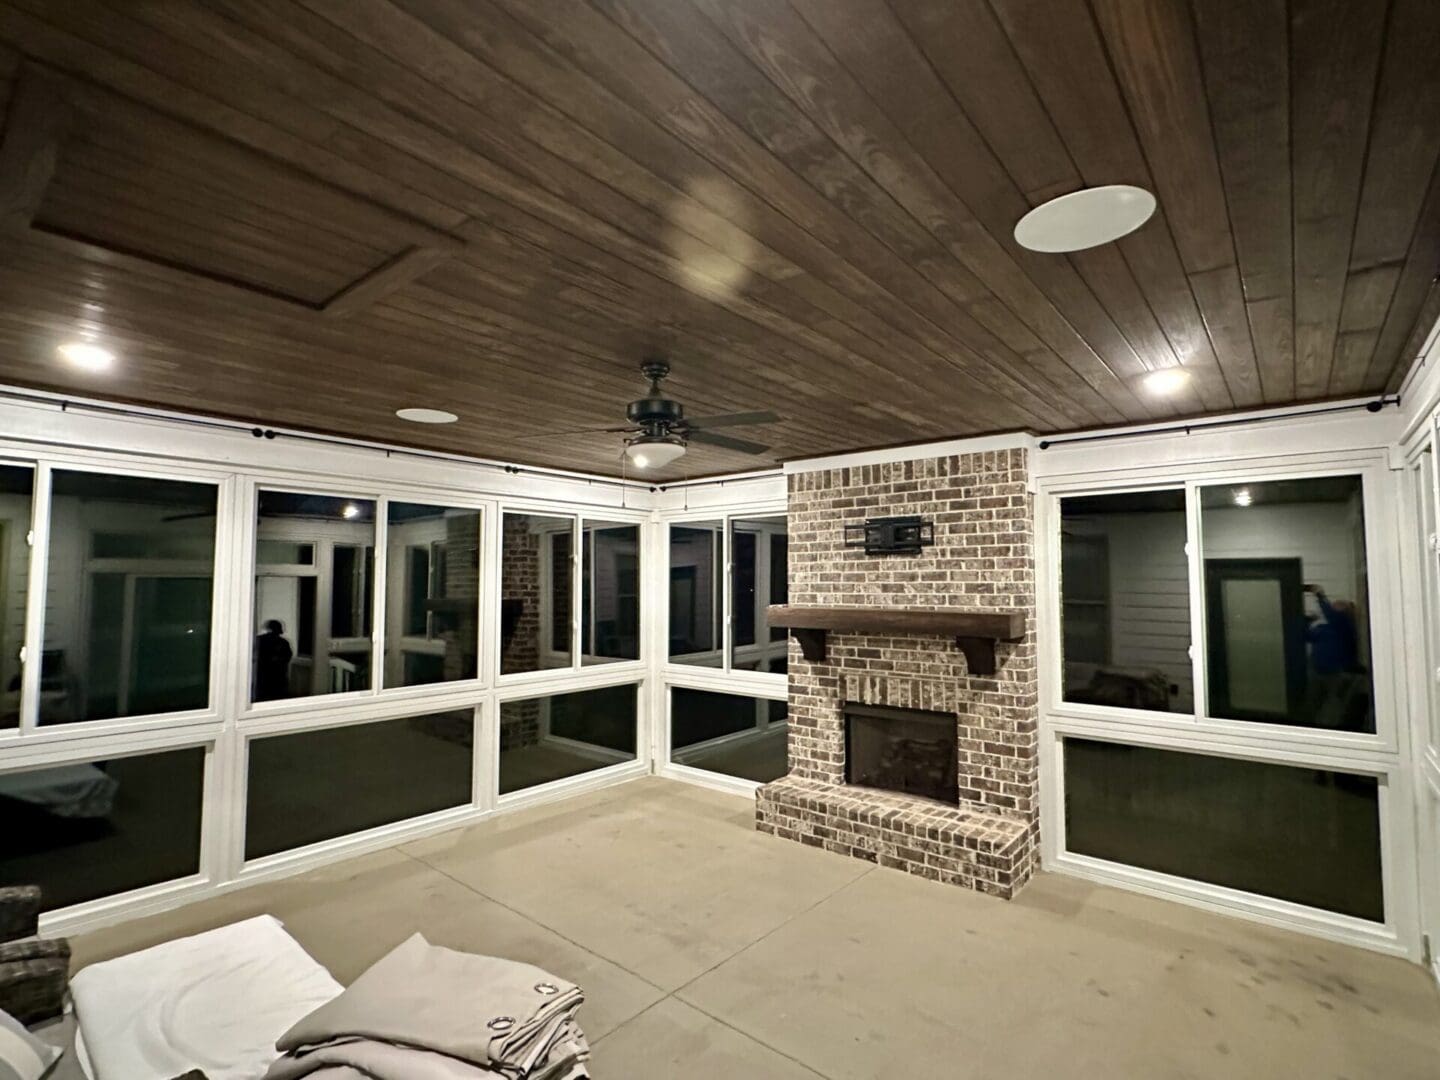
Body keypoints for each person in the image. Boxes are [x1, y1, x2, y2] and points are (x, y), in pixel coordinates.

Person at [1303, 585, 1362, 728]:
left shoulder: (1346, 627)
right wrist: (1305, 621)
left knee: (1333, 711)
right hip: (1317, 672)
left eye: (1340, 605)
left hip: (1338, 675)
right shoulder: (1324, 628)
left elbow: (1334, 616)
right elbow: (1307, 636)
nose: (1335, 606)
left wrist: (1320, 596)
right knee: (1311, 707)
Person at [254, 619, 293, 701]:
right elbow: (287, 657)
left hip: (267, 674)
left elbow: (287, 656)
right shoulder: (283, 642)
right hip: (274, 674)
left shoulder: (259, 640)